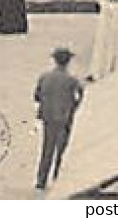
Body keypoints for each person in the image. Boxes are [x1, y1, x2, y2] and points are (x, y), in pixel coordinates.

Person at [34, 46, 85, 191]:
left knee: (47, 149)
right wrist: (74, 106)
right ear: (68, 62)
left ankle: (41, 180)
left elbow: (37, 96)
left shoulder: (44, 77)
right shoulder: (72, 80)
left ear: (55, 61)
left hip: (48, 116)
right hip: (64, 116)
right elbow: (80, 94)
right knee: (61, 149)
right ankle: (57, 178)